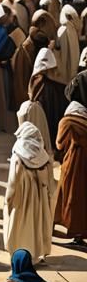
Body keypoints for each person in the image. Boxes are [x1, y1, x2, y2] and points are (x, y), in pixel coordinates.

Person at [3, 122, 54, 263]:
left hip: (21, 199)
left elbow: (13, 183)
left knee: (20, 225)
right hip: (38, 199)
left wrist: (8, 200)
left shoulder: (18, 156)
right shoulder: (43, 157)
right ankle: (36, 254)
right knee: (36, 223)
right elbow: (50, 185)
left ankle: (20, 256)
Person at [55, 100, 87, 243]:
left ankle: (75, 234)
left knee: (70, 198)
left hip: (71, 164)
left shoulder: (67, 122)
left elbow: (59, 144)